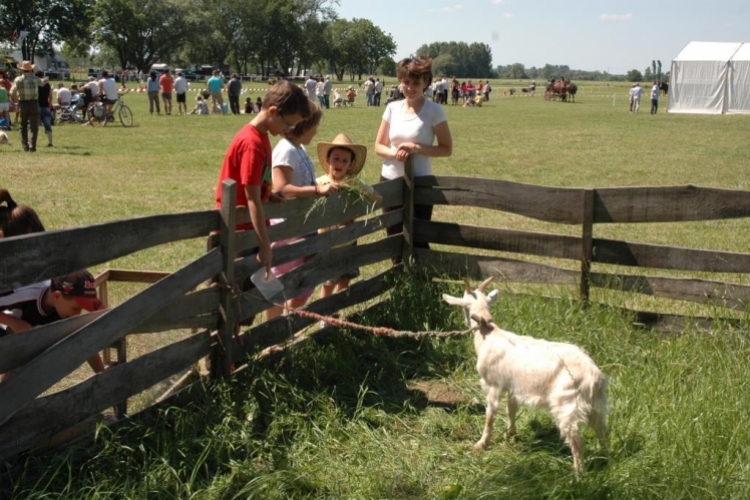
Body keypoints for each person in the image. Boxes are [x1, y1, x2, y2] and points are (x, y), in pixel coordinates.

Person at [214, 80, 310, 276]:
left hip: (249, 230)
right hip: (239, 233)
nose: (288, 130)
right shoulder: (252, 144)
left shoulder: (262, 136)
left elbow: (255, 188)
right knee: (233, 292)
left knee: (249, 295)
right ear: (273, 111)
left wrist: (267, 194)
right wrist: (266, 246)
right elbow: (251, 199)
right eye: (288, 123)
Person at [374, 55, 453, 263]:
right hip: (390, 181)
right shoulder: (392, 108)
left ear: (426, 82)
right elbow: (378, 146)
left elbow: (446, 149)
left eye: (416, 83)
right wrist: (397, 153)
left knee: (419, 235)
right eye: (406, 82)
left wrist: (417, 148)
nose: (410, 87)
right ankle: (401, 281)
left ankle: (422, 282)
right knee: (393, 235)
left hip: (420, 182)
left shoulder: (434, 111)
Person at [266, 102, 335, 320]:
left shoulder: (299, 148)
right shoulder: (286, 150)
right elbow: (282, 188)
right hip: (287, 230)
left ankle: (283, 329)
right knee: (278, 284)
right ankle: (271, 333)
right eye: (315, 126)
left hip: (302, 227)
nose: (316, 131)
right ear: (304, 126)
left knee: (301, 284)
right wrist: (317, 190)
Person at [0, 270, 107, 379]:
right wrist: (15, 323)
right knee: (12, 355)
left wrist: (103, 375)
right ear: (56, 296)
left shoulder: (63, 307)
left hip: (19, 322)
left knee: (20, 364)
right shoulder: (24, 294)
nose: (77, 314)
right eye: (75, 308)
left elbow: (82, 339)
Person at [316, 134, 382, 305]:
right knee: (328, 282)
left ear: (351, 164)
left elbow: (373, 195)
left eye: (345, 161)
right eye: (336, 159)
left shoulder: (353, 182)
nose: (339, 164)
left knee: (345, 278)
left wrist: (369, 195)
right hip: (328, 243)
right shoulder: (321, 183)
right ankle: (324, 315)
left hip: (349, 241)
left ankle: (336, 309)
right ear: (328, 159)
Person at [10, 61, 42, 152]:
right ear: (31, 70)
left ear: (22, 70)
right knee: (34, 126)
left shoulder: (18, 80)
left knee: (23, 126)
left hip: (23, 103)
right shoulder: (36, 79)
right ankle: (32, 146)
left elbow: (11, 93)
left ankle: (25, 146)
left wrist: (18, 101)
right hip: (34, 103)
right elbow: (43, 83)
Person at [36, 71, 53, 147]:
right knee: (48, 126)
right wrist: (49, 105)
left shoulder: (35, 84)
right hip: (45, 106)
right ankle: (50, 142)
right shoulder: (47, 85)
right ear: (43, 76)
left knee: (34, 126)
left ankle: (32, 142)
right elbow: (51, 97)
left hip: (37, 106)